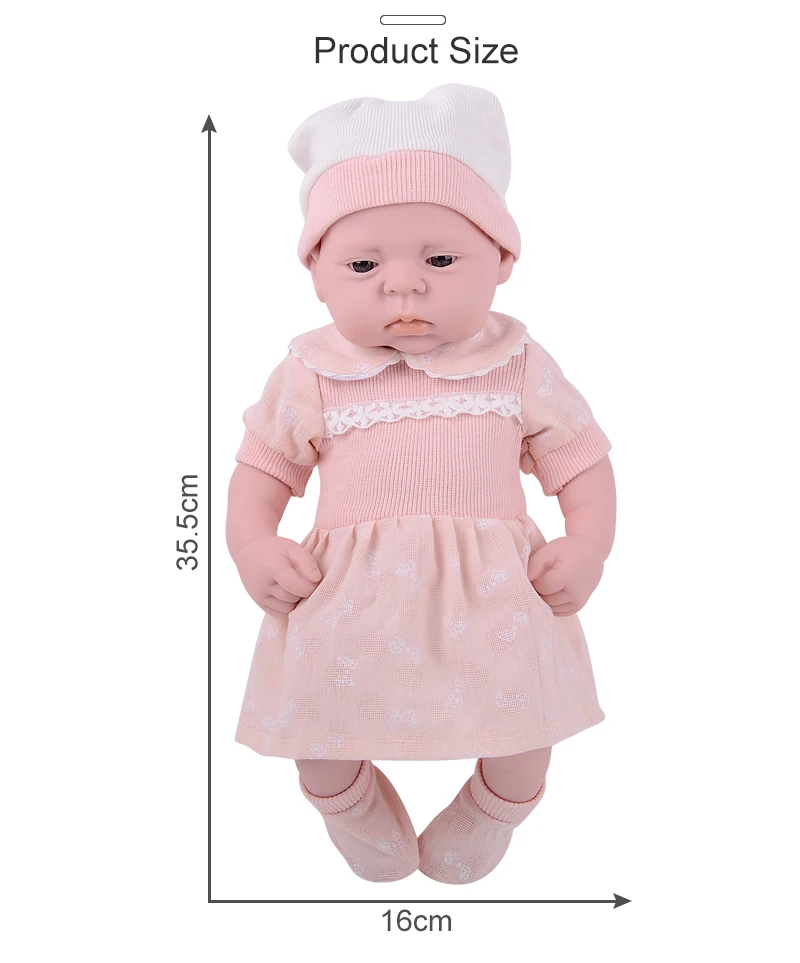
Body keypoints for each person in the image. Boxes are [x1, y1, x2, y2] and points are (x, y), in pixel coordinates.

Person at [226, 84, 616, 884]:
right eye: (363, 264)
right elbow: (260, 472)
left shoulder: (516, 363)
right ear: (317, 274)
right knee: (318, 728)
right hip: (348, 598)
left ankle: (495, 808)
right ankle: (348, 805)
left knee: (525, 732)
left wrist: (588, 544)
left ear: (501, 261)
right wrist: (252, 544)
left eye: (440, 259)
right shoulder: (313, 370)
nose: (402, 286)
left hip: (494, 598)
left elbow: (582, 460)